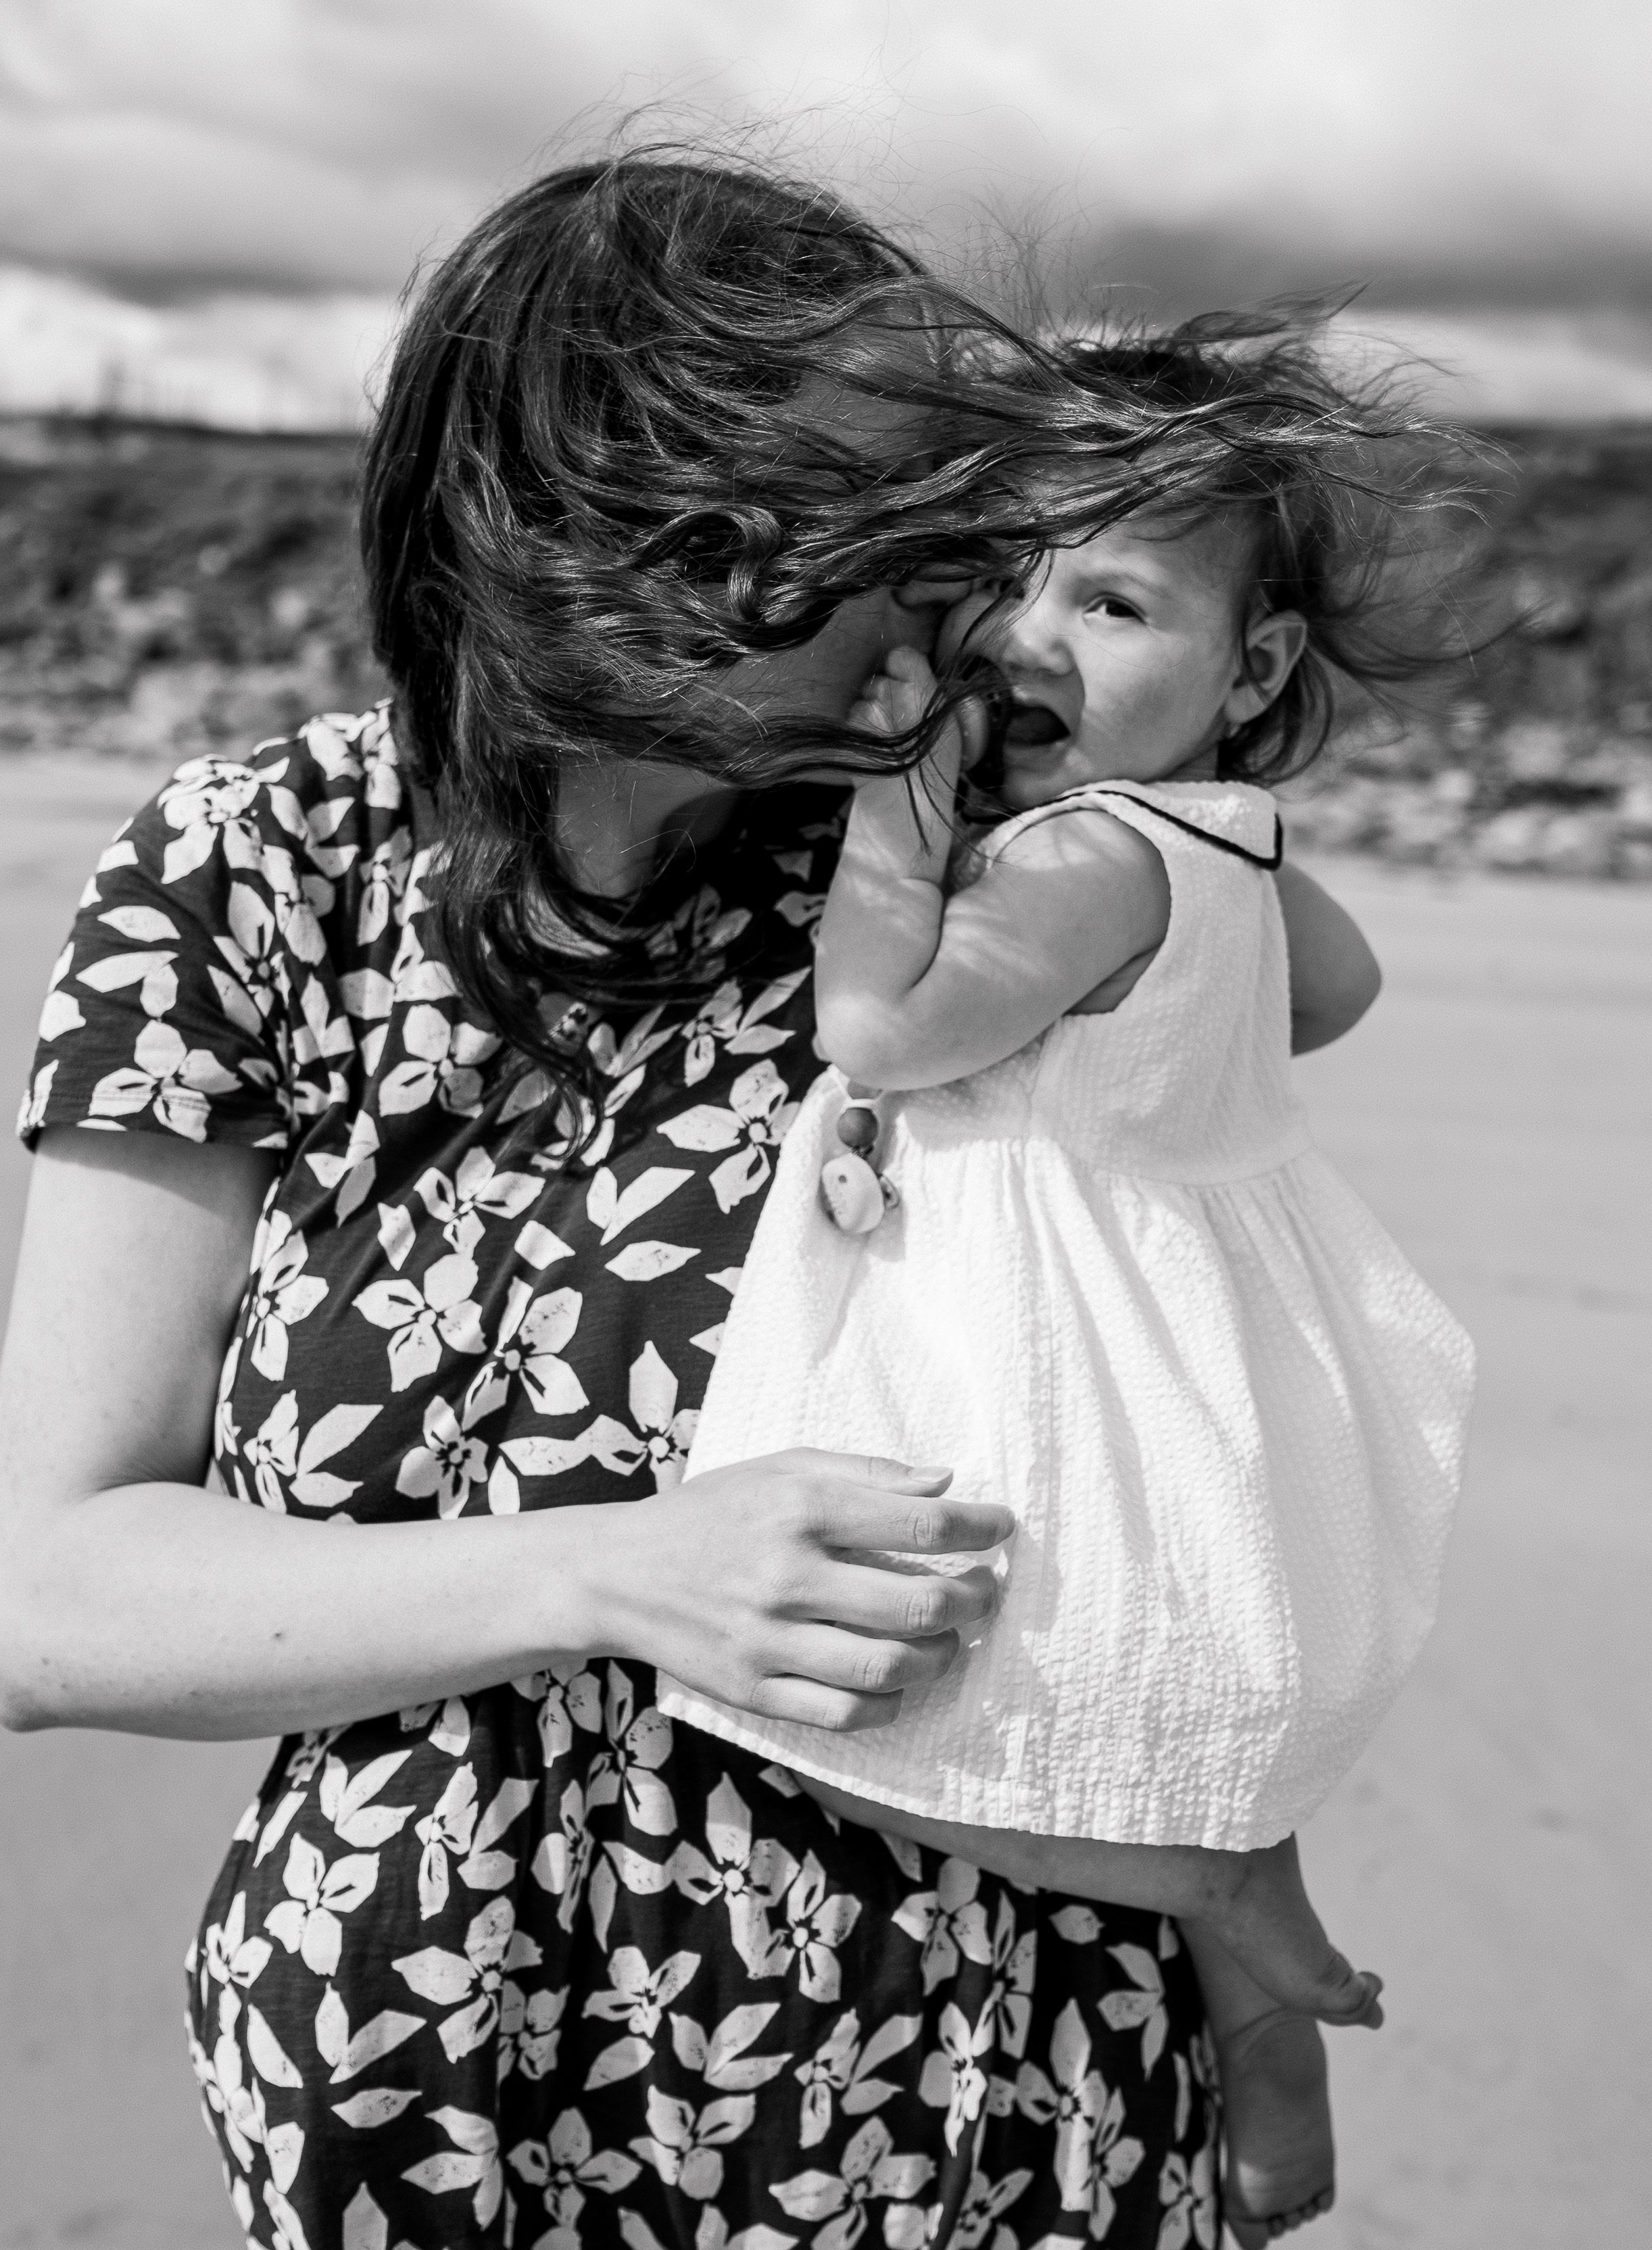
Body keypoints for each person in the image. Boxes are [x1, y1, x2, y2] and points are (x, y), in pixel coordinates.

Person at [0, 157, 1363, 2250]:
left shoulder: (938, 887)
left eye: (947, 516)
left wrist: (1231, 1892)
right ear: (615, 537)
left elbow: (1167, 1369)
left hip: (974, 2089)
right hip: (430, 2103)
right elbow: (50, 1588)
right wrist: (622, 1570)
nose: (949, 598)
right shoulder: (258, 874)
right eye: (865, 525)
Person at [660, 329, 1476, 2245]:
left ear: (1249, 671)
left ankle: (1234, 1914)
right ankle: (1248, 1964)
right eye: (995, 584)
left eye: (1108, 600)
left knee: (889, 1734)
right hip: (1176, 1323)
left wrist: (901, 801)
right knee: (1119, 1702)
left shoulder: (1088, 852)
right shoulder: (1218, 838)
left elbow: (878, 1012)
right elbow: (1332, 990)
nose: (1027, 641)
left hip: (1046, 1352)